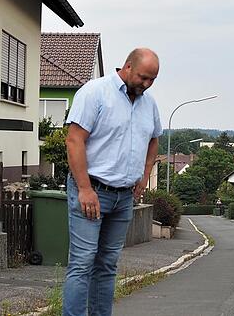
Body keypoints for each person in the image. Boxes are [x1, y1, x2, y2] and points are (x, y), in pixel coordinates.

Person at [63, 47, 162, 316]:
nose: (147, 84)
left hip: (123, 197)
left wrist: (144, 175)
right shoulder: (95, 93)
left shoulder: (148, 104)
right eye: (143, 77)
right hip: (91, 191)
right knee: (83, 263)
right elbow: (74, 140)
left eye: (152, 79)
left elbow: (154, 139)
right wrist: (84, 188)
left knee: (107, 265)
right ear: (128, 67)